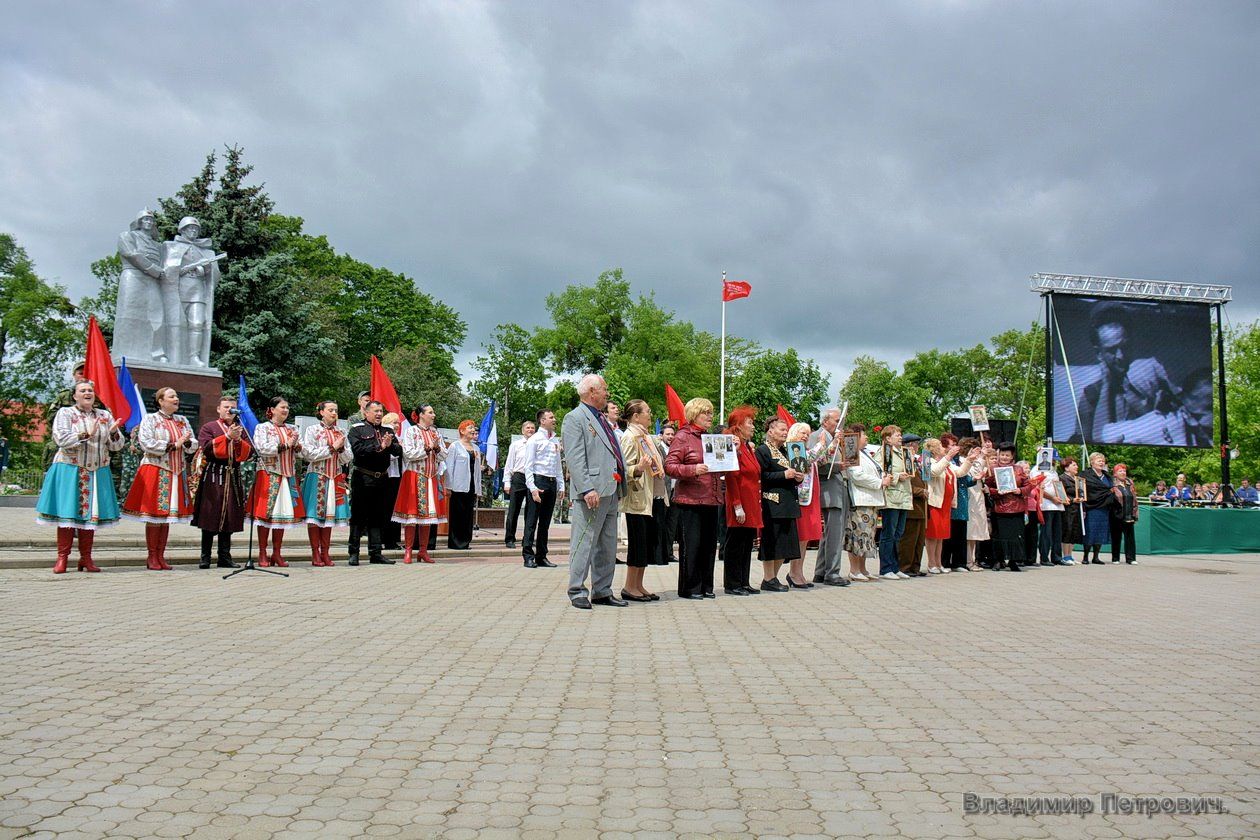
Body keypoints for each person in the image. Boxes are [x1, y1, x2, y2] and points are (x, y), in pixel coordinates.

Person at [36, 380, 126, 573]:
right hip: (70, 468)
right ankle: (62, 558)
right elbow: (61, 438)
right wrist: (85, 434)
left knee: (90, 517)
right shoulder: (66, 413)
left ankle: (86, 558)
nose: (87, 393)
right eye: (83, 390)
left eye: (90, 391)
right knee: (68, 514)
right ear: (74, 396)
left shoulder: (104, 415)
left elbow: (117, 447)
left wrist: (113, 434)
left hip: (97, 470)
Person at [562, 374, 625, 609]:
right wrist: (587, 487)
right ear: (591, 391)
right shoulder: (575, 418)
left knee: (607, 545)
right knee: (584, 541)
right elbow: (575, 457)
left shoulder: (601, 418)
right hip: (591, 492)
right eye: (604, 390)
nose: (607, 394)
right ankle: (577, 589)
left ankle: (602, 590)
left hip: (610, 490)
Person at [1074, 306, 1179, 443]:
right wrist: (1106, 385)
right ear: (1099, 353)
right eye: (1111, 350)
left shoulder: (1151, 381)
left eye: (1125, 347)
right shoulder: (1091, 395)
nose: (1121, 356)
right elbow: (1091, 442)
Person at [122, 387, 198, 570]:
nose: (176, 398)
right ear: (161, 401)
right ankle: (152, 556)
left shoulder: (182, 420)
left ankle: (161, 555)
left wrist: (187, 443)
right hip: (157, 469)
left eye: (177, 395)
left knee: (167, 516)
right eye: (171, 396)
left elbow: (193, 443)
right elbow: (146, 443)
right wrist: (174, 444)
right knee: (155, 515)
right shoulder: (151, 419)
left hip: (176, 471)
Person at [666, 397, 724, 599]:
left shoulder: (710, 438)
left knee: (709, 545)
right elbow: (670, 466)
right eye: (705, 413)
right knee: (692, 545)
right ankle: (690, 587)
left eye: (711, 412)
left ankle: (706, 586)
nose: (710, 416)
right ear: (694, 415)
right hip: (690, 500)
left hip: (711, 498)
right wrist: (692, 469)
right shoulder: (683, 437)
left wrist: (730, 447)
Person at [190, 395, 251, 569]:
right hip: (214, 475)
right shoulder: (209, 427)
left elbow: (249, 452)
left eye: (232, 407)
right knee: (210, 514)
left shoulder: (241, 429)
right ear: (218, 409)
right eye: (226, 407)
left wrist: (238, 440)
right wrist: (227, 437)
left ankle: (224, 556)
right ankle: (205, 557)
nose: (229, 410)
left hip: (233, 475)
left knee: (230, 515)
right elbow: (206, 448)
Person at [248, 397, 305, 567]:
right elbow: (261, 448)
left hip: (287, 474)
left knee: (282, 514)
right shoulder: (263, 428)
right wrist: (284, 445)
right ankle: (262, 552)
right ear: (272, 410)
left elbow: (301, 452)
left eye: (287, 407)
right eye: (282, 407)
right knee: (266, 515)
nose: (286, 410)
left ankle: (277, 553)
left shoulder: (292, 428)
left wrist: (297, 447)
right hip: (269, 474)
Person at [618, 400, 665, 601]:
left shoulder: (645, 437)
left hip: (650, 498)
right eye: (647, 411)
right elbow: (625, 469)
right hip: (636, 500)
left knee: (646, 544)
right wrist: (639, 467)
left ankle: (639, 584)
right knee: (637, 544)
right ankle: (629, 586)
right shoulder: (629, 437)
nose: (650, 413)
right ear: (635, 416)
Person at [392, 403, 447, 564]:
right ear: (421, 415)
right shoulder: (411, 431)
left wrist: (437, 449)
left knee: (429, 515)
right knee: (412, 515)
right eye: (430, 412)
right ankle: (408, 549)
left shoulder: (436, 432)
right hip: (415, 476)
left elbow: (444, 454)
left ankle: (423, 550)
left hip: (431, 476)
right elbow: (408, 453)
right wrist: (427, 449)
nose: (433, 415)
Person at [348, 400, 401, 566]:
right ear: (366, 413)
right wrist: (380, 445)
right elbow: (359, 451)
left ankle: (376, 553)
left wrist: (389, 444)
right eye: (375, 411)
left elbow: (399, 451)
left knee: (378, 516)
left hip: (382, 478)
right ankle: (354, 552)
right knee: (358, 516)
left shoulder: (388, 430)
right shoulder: (357, 429)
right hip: (363, 477)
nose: (379, 414)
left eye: (381, 411)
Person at [755, 416, 803, 591]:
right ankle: (768, 578)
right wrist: (783, 475)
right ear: (771, 431)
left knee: (786, 543)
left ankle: (773, 577)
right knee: (772, 541)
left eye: (786, 430)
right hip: (772, 502)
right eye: (782, 430)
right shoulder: (762, 451)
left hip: (788, 502)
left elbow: (794, 473)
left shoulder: (787, 451)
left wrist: (798, 477)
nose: (785, 433)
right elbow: (761, 476)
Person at [302, 400, 352, 567]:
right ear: (321, 412)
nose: (334, 413)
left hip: (335, 476)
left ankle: (325, 552)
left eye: (336, 410)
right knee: (315, 516)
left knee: (330, 515)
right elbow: (308, 454)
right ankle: (315, 552)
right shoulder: (312, 430)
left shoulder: (341, 431)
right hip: (318, 475)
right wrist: (331, 448)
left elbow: (348, 458)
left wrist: (342, 448)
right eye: (330, 410)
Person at [114, 208, 165, 363]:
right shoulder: (127, 236)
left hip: (153, 281)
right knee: (129, 313)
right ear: (139, 222)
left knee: (157, 315)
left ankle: (157, 353)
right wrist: (154, 269)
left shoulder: (158, 245)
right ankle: (124, 351)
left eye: (151, 220)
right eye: (145, 219)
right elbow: (132, 255)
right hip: (133, 276)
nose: (148, 222)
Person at [808, 408, 852, 587]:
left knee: (831, 534)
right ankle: (832, 572)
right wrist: (838, 467)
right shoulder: (818, 436)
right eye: (836, 420)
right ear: (825, 421)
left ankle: (821, 571)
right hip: (829, 489)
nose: (839, 424)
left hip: (839, 488)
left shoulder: (838, 437)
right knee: (834, 533)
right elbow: (814, 463)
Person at [722, 406, 762, 596]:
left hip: (750, 501)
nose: (753, 427)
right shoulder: (734, 445)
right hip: (739, 500)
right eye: (749, 423)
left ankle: (743, 581)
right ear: (738, 426)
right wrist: (737, 504)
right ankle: (732, 583)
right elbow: (732, 476)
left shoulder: (746, 445)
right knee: (736, 543)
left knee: (747, 543)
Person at [925, 437, 977, 574]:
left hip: (946, 503)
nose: (944, 449)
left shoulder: (947, 463)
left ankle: (938, 562)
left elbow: (960, 472)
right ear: (935, 449)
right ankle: (931, 563)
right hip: (935, 502)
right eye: (942, 447)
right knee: (932, 535)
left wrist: (969, 460)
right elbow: (934, 471)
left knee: (941, 535)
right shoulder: (930, 461)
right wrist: (948, 457)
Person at [983, 442, 1035, 572]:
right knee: (999, 535)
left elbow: (1029, 485)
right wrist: (996, 492)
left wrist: (1020, 490)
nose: (1004, 457)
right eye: (1002, 454)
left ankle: (1013, 561)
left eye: (1007, 455)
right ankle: (997, 560)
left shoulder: (1019, 469)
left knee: (1016, 536)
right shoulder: (992, 468)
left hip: (1016, 507)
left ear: (1012, 456)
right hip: (1000, 507)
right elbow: (987, 487)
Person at [522, 410, 564, 569]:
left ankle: (542, 555)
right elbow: (528, 466)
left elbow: (558, 464)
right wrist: (532, 488)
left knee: (545, 523)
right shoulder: (534, 440)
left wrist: (561, 484)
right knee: (531, 521)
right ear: (542, 421)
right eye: (551, 417)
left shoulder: (554, 440)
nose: (554, 419)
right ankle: (528, 555)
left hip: (552, 481)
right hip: (538, 481)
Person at [845, 423, 885, 582]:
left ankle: (863, 568)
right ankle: (854, 569)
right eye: (863, 434)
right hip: (860, 499)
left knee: (867, 536)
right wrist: (880, 482)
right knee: (858, 535)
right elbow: (857, 476)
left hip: (871, 499)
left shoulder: (865, 453)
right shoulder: (852, 451)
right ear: (855, 436)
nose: (867, 436)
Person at [786, 422, 823, 588]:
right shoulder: (793, 449)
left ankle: (798, 571)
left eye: (807, 434)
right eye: (802, 432)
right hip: (799, 498)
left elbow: (821, 458)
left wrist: (834, 443)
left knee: (805, 538)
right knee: (800, 536)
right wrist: (821, 443)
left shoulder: (806, 451)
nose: (805, 436)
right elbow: (808, 459)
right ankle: (794, 572)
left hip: (809, 497)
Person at [877, 425, 914, 580]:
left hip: (904, 497)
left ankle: (895, 566)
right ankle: (886, 568)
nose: (900, 437)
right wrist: (899, 476)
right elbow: (882, 471)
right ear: (887, 438)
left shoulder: (904, 452)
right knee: (889, 534)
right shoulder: (884, 453)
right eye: (897, 435)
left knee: (898, 534)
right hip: (892, 497)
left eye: (900, 435)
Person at [444, 420, 482, 550]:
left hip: (471, 486)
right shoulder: (455, 446)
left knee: (467, 515)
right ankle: (455, 542)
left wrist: (478, 489)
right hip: (458, 486)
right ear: (462, 430)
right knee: (457, 514)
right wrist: (448, 486)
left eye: (474, 428)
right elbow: (449, 467)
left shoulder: (476, 448)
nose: (473, 430)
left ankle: (465, 541)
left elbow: (477, 471)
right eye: (470, 428)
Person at [943, 436, 979, 571]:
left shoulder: (958, 460)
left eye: (955, 444)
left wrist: (975, 478)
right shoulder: (944, 461)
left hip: (962, 500)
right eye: (952, 445)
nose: (955, 447)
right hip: (951, 499)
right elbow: (957, 474)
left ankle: (959, 562)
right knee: (949, 534)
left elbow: (965, 478)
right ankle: (945, 561)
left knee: (960, 532)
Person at [897, 433, 928, 577]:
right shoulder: (904, 460)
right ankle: (905, 566)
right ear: (909, 445)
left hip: (921, 506)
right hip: (911, 504)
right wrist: (919, 491)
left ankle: (915, 566)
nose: (917, 447)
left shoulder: (916, 461)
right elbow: (905, 482)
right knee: (908, 539)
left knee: (919, 540)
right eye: (915, 444)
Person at [502, 420, 536, 549]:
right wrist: (507, 482)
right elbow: (509, 464)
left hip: (532, 478)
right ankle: (509, 538)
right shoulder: (516, 445)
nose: (530, 430)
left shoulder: (538, 445)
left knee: (531, 511)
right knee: (513, 509)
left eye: (532, 428)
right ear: (523, 430)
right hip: (519, 477)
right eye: (528, 428)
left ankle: (527, 539)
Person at [1033, 454, 1068, 566]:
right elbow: (1037, 487)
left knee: (1057, 532)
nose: (1054, 462)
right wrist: (1052, 498)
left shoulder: (1053, 471)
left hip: (1057, 505)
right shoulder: (1037, 469)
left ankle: (1057, 556)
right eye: (1053, 459)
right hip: (1046, 505)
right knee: (1046, 532)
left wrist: (1063, 497)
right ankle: (1044, 557)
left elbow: (1057, 486)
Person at [1081, 452, 1114, 565]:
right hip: (1091, 507)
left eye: (1102, 460)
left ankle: (1096, 556)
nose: (1101, 462)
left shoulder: (1107, 476)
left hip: (1104, 508)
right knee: (1090, 531)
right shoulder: (1086, 474)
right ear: (1092, 462)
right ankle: (1085, 556)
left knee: (1101, 531)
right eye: (1099, 460)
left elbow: (1110, 489)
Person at [965, 443, 993, 571]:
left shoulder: (979, 463)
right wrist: (981, 457)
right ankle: (969, 561)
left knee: (976, 532)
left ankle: (973, 560)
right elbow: (974, 473)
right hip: (971, 500)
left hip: (979, 499)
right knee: (971, 531)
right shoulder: (966, 463)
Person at [657, 422, 681, 564]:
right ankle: (661, 554)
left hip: (675, 492)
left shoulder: (676, 449)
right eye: (668, 434)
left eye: (672, 434)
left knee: (672, 525)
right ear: (662, 435)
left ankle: (669, 552)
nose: (671, 437)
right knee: (662, 524)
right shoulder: (658, 449)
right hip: (663, 491)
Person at [1110, 463, 1139, 564]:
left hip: (1129, 514)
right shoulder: (1112, 485)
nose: (1123, 473)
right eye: (1120, 471)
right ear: (1115, 473)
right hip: (1117, 516)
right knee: (1116, 537)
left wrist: (1135, 515)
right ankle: (1115, 558)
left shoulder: (1130, 484)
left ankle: (1131, 558)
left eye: (1124, 471)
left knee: (1130, 538)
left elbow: (1135, 500)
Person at [1059, 457, 1084, 565]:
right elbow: (1061, 494)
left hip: (1077, 508)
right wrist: (1073, 499)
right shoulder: (1062, 478)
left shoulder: (1078, 480)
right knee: (1067, 530)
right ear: (1066, 467)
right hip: (1067, 509)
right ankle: (1065, 556)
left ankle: (1070, 555)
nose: (1076, 467)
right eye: (1074, 465)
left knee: (1074, 531)